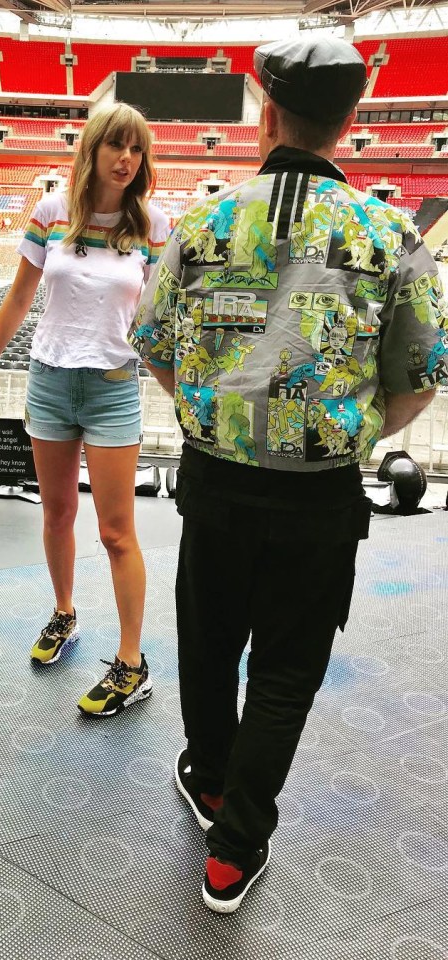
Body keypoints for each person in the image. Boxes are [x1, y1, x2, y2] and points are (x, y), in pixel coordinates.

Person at [131, 36, 448, 914]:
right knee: (284, 669)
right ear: (349, 124)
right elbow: (418, 379)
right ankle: (232, 854)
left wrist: (212, 411)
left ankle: (209, 781)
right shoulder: (389, 232)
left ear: (266, 112)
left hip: (214, 479)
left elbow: (154, 346)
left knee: (206, 643)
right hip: (319, 496)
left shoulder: (201, 221)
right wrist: (344, 435)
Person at [0, 102, 170, 716]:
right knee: (56, 514)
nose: (126, 159)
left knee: (115, 532)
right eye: (115, 146)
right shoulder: (52, 213)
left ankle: (132, 663)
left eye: (136, 149)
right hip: (50, 380)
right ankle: (63, 613)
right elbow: (20, 294)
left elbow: (157, 319)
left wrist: (178, 386)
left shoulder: (154, 226)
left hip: (112, 385)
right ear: (91, 151)